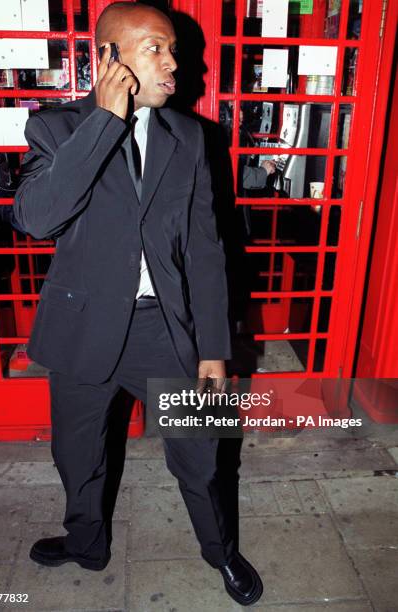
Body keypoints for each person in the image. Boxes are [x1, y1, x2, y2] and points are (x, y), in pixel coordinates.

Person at [14, 2, 263, 606]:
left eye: (172, 48)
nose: (173, 63)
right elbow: (35, 219)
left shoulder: (193, 138)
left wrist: (214, 349)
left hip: (167, 329)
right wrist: (103, 120)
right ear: (107, 57)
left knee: (203, 457)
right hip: (84, 326)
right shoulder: (55, 128)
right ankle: (86, 543)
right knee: (78, 455)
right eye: (154, 48)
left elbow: (206, 251)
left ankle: (220, 552)